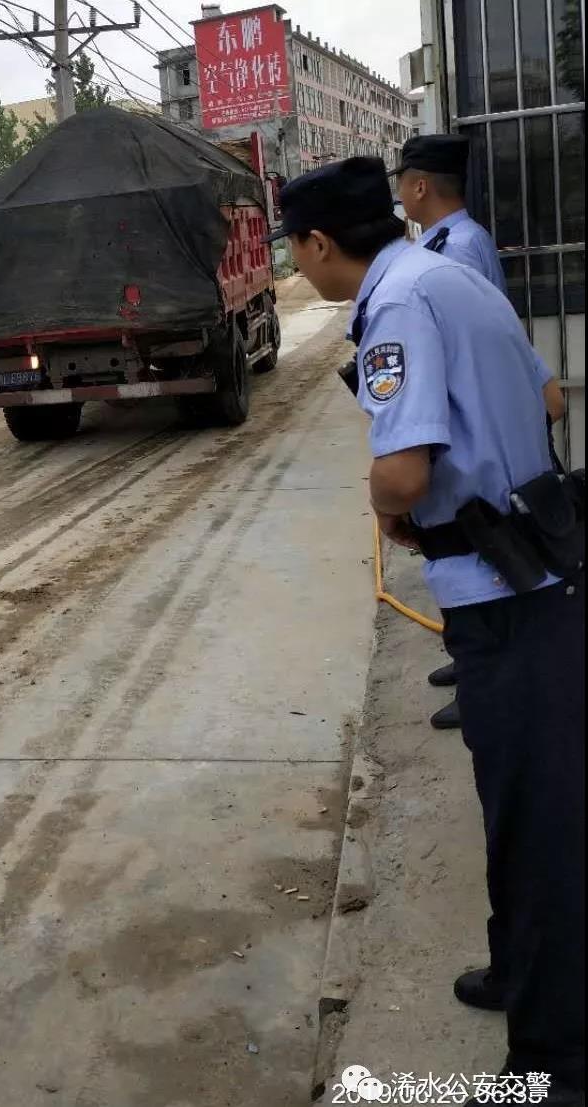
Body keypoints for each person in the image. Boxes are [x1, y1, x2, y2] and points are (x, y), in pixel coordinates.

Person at [266, 156, 585, 1106]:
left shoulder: (398, 307)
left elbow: (401, 471)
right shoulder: (446, 276)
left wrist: (388, 500)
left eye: (297, 247)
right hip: (534, 566)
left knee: (538, 831)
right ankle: (519, 977)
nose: (300, 262)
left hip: (505, 594)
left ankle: (556, 1067)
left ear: (320, 245)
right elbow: (551, 398)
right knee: (528, 812)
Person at [393, 133, 568, 731]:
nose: (399, 193)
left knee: (486, 545)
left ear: (419, 186)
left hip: (478, 419)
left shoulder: (456, 250)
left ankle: (482, 681)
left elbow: (473, 345)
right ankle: (469, 662)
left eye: (401, 181)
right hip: (486, 409)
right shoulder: (449, 241)